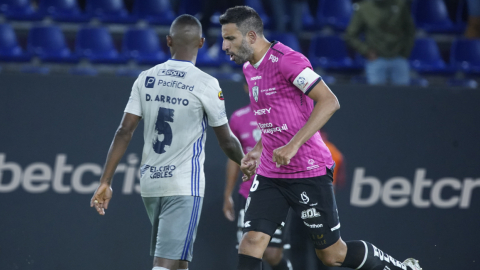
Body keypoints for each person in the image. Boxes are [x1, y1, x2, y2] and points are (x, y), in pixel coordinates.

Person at [219, 6, 422, 270]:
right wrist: (259, 149)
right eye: (224, 38)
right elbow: (272, 117)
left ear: (252, 37)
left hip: (308, 170)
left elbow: (329, 101)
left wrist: (293, 145)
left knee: (332, 254)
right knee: (251, 242)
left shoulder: (286, 60)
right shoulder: (249, 68)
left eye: (230, 38)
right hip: (271, 173)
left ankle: (401, 268)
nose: (224, 46)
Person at [90, 14, 245, 270]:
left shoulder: (145, 78)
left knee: (178, 262)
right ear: (202, 43)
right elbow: (227, 142)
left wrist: (106, 181)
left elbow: (123, 131)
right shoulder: (206, 84)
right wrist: (248, 163)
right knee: (165, 265)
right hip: (183, 185)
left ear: (168, 41)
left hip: (151, 185)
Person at [223, 83, 293, 270]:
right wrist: (228, 194)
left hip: (275, 192)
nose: (258, 88)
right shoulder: (238, 118)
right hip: (247, 194)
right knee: (248, 251)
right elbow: (233, 159)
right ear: (247, 87)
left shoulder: (280, 114)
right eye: (252, 84)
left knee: (272, 253)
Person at [345, 0, 415, 86]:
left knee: (403, 96)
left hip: (399, 57)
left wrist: (405, 52)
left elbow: (410, 30)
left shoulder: (400, 5)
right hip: (376, 59)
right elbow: (350, 35)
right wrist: (366, 51)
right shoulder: (364, 8)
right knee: (376, 96)